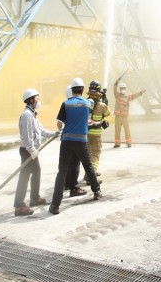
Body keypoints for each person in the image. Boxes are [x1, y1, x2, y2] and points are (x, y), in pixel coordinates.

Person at [49, 78, 102, 215]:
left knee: (62, 172)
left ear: (72, 90)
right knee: (88, 165)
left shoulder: (65, 104)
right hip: (81, 141)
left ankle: (55, 205)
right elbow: (87, 120)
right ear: (83, 89)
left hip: (66, 141)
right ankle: (96, 191)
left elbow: (59, 124)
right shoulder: (87, 104)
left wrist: (65, 126)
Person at [14, 88, 59, 216]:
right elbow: (27, 137)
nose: (38, 100)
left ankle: (34, 198)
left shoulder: (32, 114)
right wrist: (32, 150)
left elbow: (41, 130)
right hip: (27, 150)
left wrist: (54, 134)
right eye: (36, 98)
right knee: (24, 177)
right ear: (30, 100)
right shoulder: (27, 116)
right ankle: (19, 206)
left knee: (37, 172)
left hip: (32, 150)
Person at [113, 73, 146, 148]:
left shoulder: (128, 97)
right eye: (121, 88)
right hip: (118, 117)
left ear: (125, 89)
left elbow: (134, 95)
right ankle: (117, 144)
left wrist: (141, 93)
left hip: (124, 117)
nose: (123, 90)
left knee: (127, 130)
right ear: (120, 89)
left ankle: (128, 143)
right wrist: (119, 79)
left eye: (124, 88)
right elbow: (114, 86)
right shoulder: (117, 95)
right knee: (117, 130)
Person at [86, 80, 110, 177]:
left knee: (88, 155)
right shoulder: (102, 105)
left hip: (86, 133)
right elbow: (107, 114)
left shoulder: (85, 102)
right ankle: (91, 176)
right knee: (95, 154)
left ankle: (88, 173)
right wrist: (105, 102)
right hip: (96, 135)